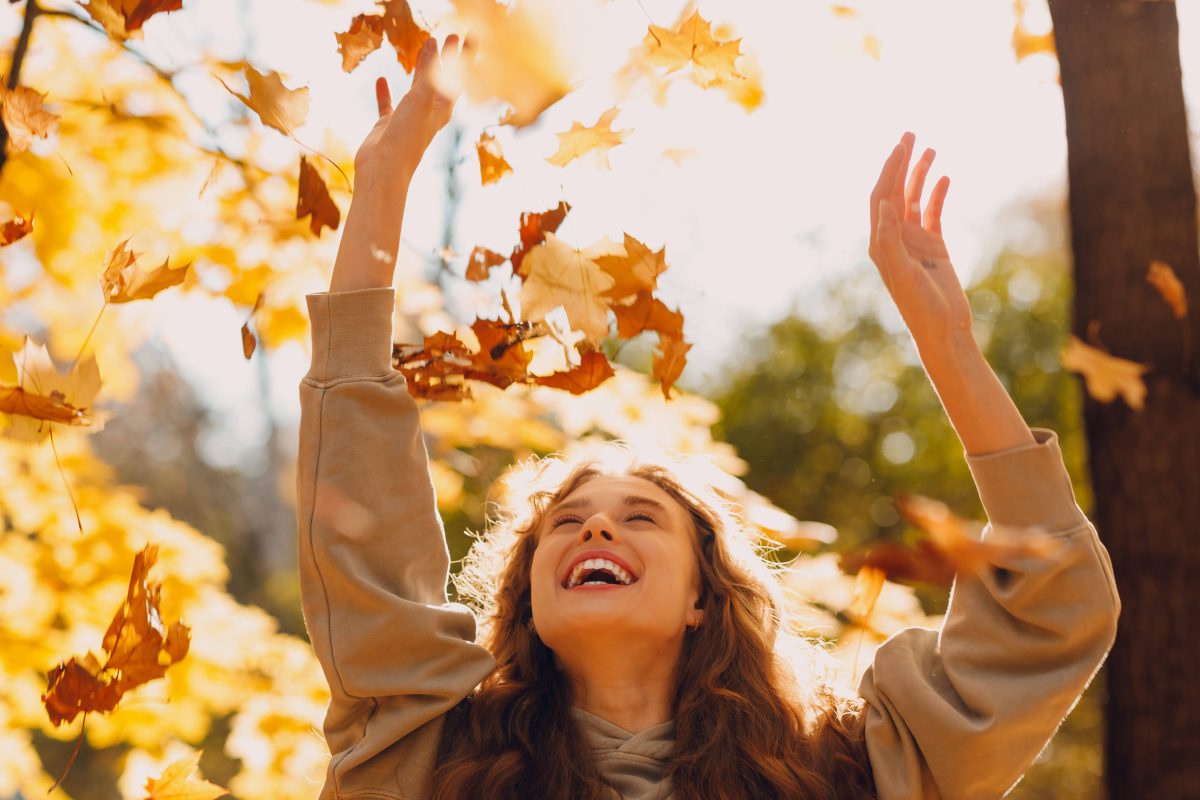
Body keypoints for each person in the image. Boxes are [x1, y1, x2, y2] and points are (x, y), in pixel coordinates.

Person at [296, 33, 1121, 800]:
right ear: (525, 606)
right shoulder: (437, 762)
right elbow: (364, 540)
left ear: (703, 595)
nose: (593, 532)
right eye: (567, 521)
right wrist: (382, 186)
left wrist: (950, 350)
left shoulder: (843, 766)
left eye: (640, 516)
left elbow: (1050, 608)